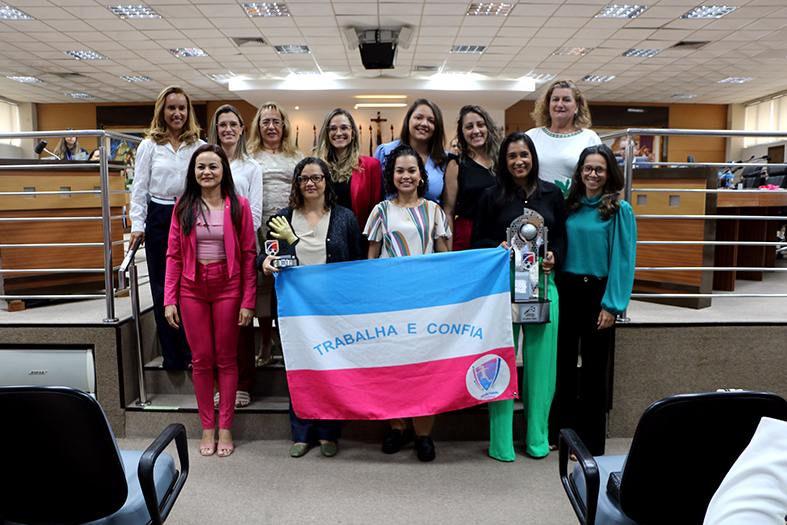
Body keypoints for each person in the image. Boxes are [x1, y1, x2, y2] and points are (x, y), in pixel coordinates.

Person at [470, 132, 566, 461]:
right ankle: (501, 443)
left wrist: (555, 256)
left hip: (542, 283)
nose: (518, 161)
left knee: (541, 366)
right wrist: (494, 248)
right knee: (500, 364)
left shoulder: (553, 193)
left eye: (524, 155)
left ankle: (538, 438)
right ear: (504, 160)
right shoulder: (491, 195)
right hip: (503, 287)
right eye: (511, 156)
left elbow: (562, 236)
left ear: (533, 157)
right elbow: (477, 239)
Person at [259, 157, 362, 458]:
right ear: (297, 184)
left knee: (330, 369)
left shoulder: (345, 218)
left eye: (317, 177)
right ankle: (302, 431)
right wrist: (264, 263)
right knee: (300, 369)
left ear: (327, 181)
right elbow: (267, 256)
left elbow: (356, 265)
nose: (310, 183)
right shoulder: (283, 218)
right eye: (304, 178)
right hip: (295, 309)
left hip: (333, 308)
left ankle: (329, 432)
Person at [163, 144, 257, 457]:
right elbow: (173, 255)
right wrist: (169, 299)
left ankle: (226, 427)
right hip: (192, 289)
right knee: (202, 359)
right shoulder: (183, 206)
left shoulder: (239, 206)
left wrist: (248, 300)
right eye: (201, 167)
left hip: (228, 287)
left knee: (227, 358)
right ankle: (207, 426)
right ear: (193, 172)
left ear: (223, 171)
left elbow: (248, 257)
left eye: (213, 167)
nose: (207, 172)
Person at [548, 144, 637, 456]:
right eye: (588, 168)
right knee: (563, 366)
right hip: (567, 291)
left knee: (594, 372)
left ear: (609, 173)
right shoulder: (570, 205)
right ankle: (561, 434)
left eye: (600, 169)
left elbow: (623, 261)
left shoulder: (618, 210)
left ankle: (589, 441)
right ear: (580, 172)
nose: (593, 174)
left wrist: (613, 305)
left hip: (598, 295)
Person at [364, 144, 451, 461]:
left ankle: (424, 433)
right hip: (389, 301)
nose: (405, 175)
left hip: (426, 300)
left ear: (421, 175)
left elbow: (444, 256)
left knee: (424, 365)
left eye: (411, 170)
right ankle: (398, 426)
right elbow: (371, 259)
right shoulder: (380, 212)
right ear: (391, 174)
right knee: (393, 364)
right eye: (399, 170)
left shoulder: (434, 211)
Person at [130, 85, 205, 370]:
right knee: (163, 288)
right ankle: (173, 357)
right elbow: (139, 190)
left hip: (189, 212)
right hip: (159, 216)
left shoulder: (198, 145)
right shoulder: (149, 145)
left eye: (182, 108)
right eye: (171, 107)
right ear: (162, 110)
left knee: (191, 284)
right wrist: (138, 224)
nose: (177, 113)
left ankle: (192, 352)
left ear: (189, 112)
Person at [207, 104, 263, 408]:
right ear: (216, 129)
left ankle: (243, 381)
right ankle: (218, 382)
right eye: (222, 124)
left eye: (233, 124)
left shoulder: (251, 167)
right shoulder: (207, 162)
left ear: (242, 129)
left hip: (239, 247)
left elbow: (254, 212)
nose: (228, 129)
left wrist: (232, 236)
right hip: (207, 250)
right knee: (214, 323)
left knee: (240, 320)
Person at [247, 102, 305, 368]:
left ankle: (288, 336)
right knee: (263, 281)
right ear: (258, 127)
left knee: (287, 280)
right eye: (265, 122)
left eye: (276, 122)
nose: (271, 127)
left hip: (288, 225)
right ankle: (267, 339)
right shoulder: (249, 155)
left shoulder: (296, 156)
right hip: (258, 225)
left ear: (284, 127)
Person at [441, 105, 502, 251]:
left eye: (480, 125)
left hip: (499, 235)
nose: (476, 131)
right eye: (469, 127)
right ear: (462, 133)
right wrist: (447, 251)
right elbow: (448, 212)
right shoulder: (456, 165)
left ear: (488, 128)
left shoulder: (502, 162)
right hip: (466, 235)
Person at [526, 79, 601, 196]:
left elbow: (599, 176)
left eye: (566, 100)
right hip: (538, 206)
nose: (559, 104)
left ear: (577, 105)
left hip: (575, 206)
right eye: (555, 99)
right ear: (548, 104)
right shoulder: (531, 136)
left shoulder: (589, 137)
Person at [314, 108, 382, 228]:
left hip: (358, 239)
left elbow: (376, 211)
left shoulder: (371, 166)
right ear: (327, 133)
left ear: (353, 132)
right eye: (333, 128)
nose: (339, 133)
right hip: (322, 237)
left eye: (344, 128)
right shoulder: (317, 167)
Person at [374, 99, 448, 203]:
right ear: (408, 120)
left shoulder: (445, 160)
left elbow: (449, 206)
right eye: (419, 118)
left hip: (430, 218)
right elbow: (374, 195)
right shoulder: (385, 152)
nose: (424, 123)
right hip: (391, 217)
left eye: (431, 121)